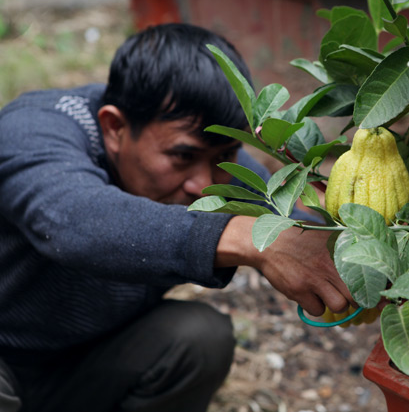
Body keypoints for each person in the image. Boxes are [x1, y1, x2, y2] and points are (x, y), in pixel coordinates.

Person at [0, 23, 354, 412]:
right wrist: (248, 238)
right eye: (182, 157)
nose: (203, 186)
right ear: (114, 127)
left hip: (80, 366)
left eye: (224, 157)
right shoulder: (32, 132)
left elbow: (296, 226)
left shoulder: (213, 161)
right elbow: (74, 222)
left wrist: (378, 252)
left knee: (199, 339)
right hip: (8, 359)